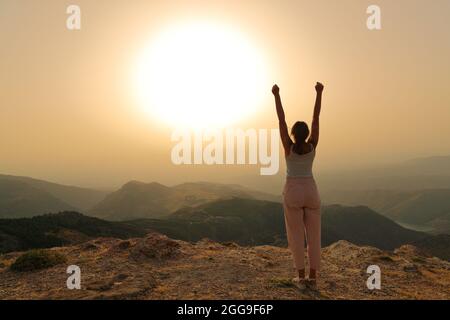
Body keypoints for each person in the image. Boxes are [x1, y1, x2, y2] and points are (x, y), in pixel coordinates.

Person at [272, 82, 324, 289]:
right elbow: (316, 118)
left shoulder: (288, 147)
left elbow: (281, 119)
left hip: (293, 191)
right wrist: (319, 93)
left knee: (295, 235)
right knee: (314, 235)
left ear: (293, 134)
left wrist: (276, 95)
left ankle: (301, 279)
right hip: (311, 190)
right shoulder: (312, 145)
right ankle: (313, 278)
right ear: (307, 133)